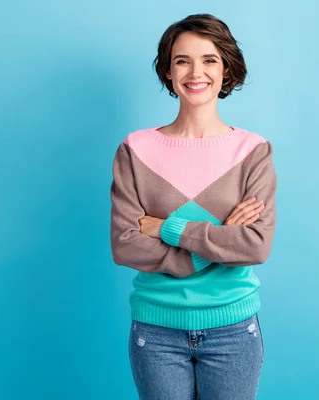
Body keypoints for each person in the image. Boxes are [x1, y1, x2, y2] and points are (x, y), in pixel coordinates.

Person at [110, 13, 277, 400]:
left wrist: (165, 227)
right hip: (156, 330)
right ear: (168, 71)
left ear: (226, 69)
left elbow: (254, 246)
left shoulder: (252, 151)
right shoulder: (136, 150)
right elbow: (125, 245)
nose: (195, 72)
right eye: (182, 60)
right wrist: (220, 240)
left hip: (233, 330)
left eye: (209, 59)